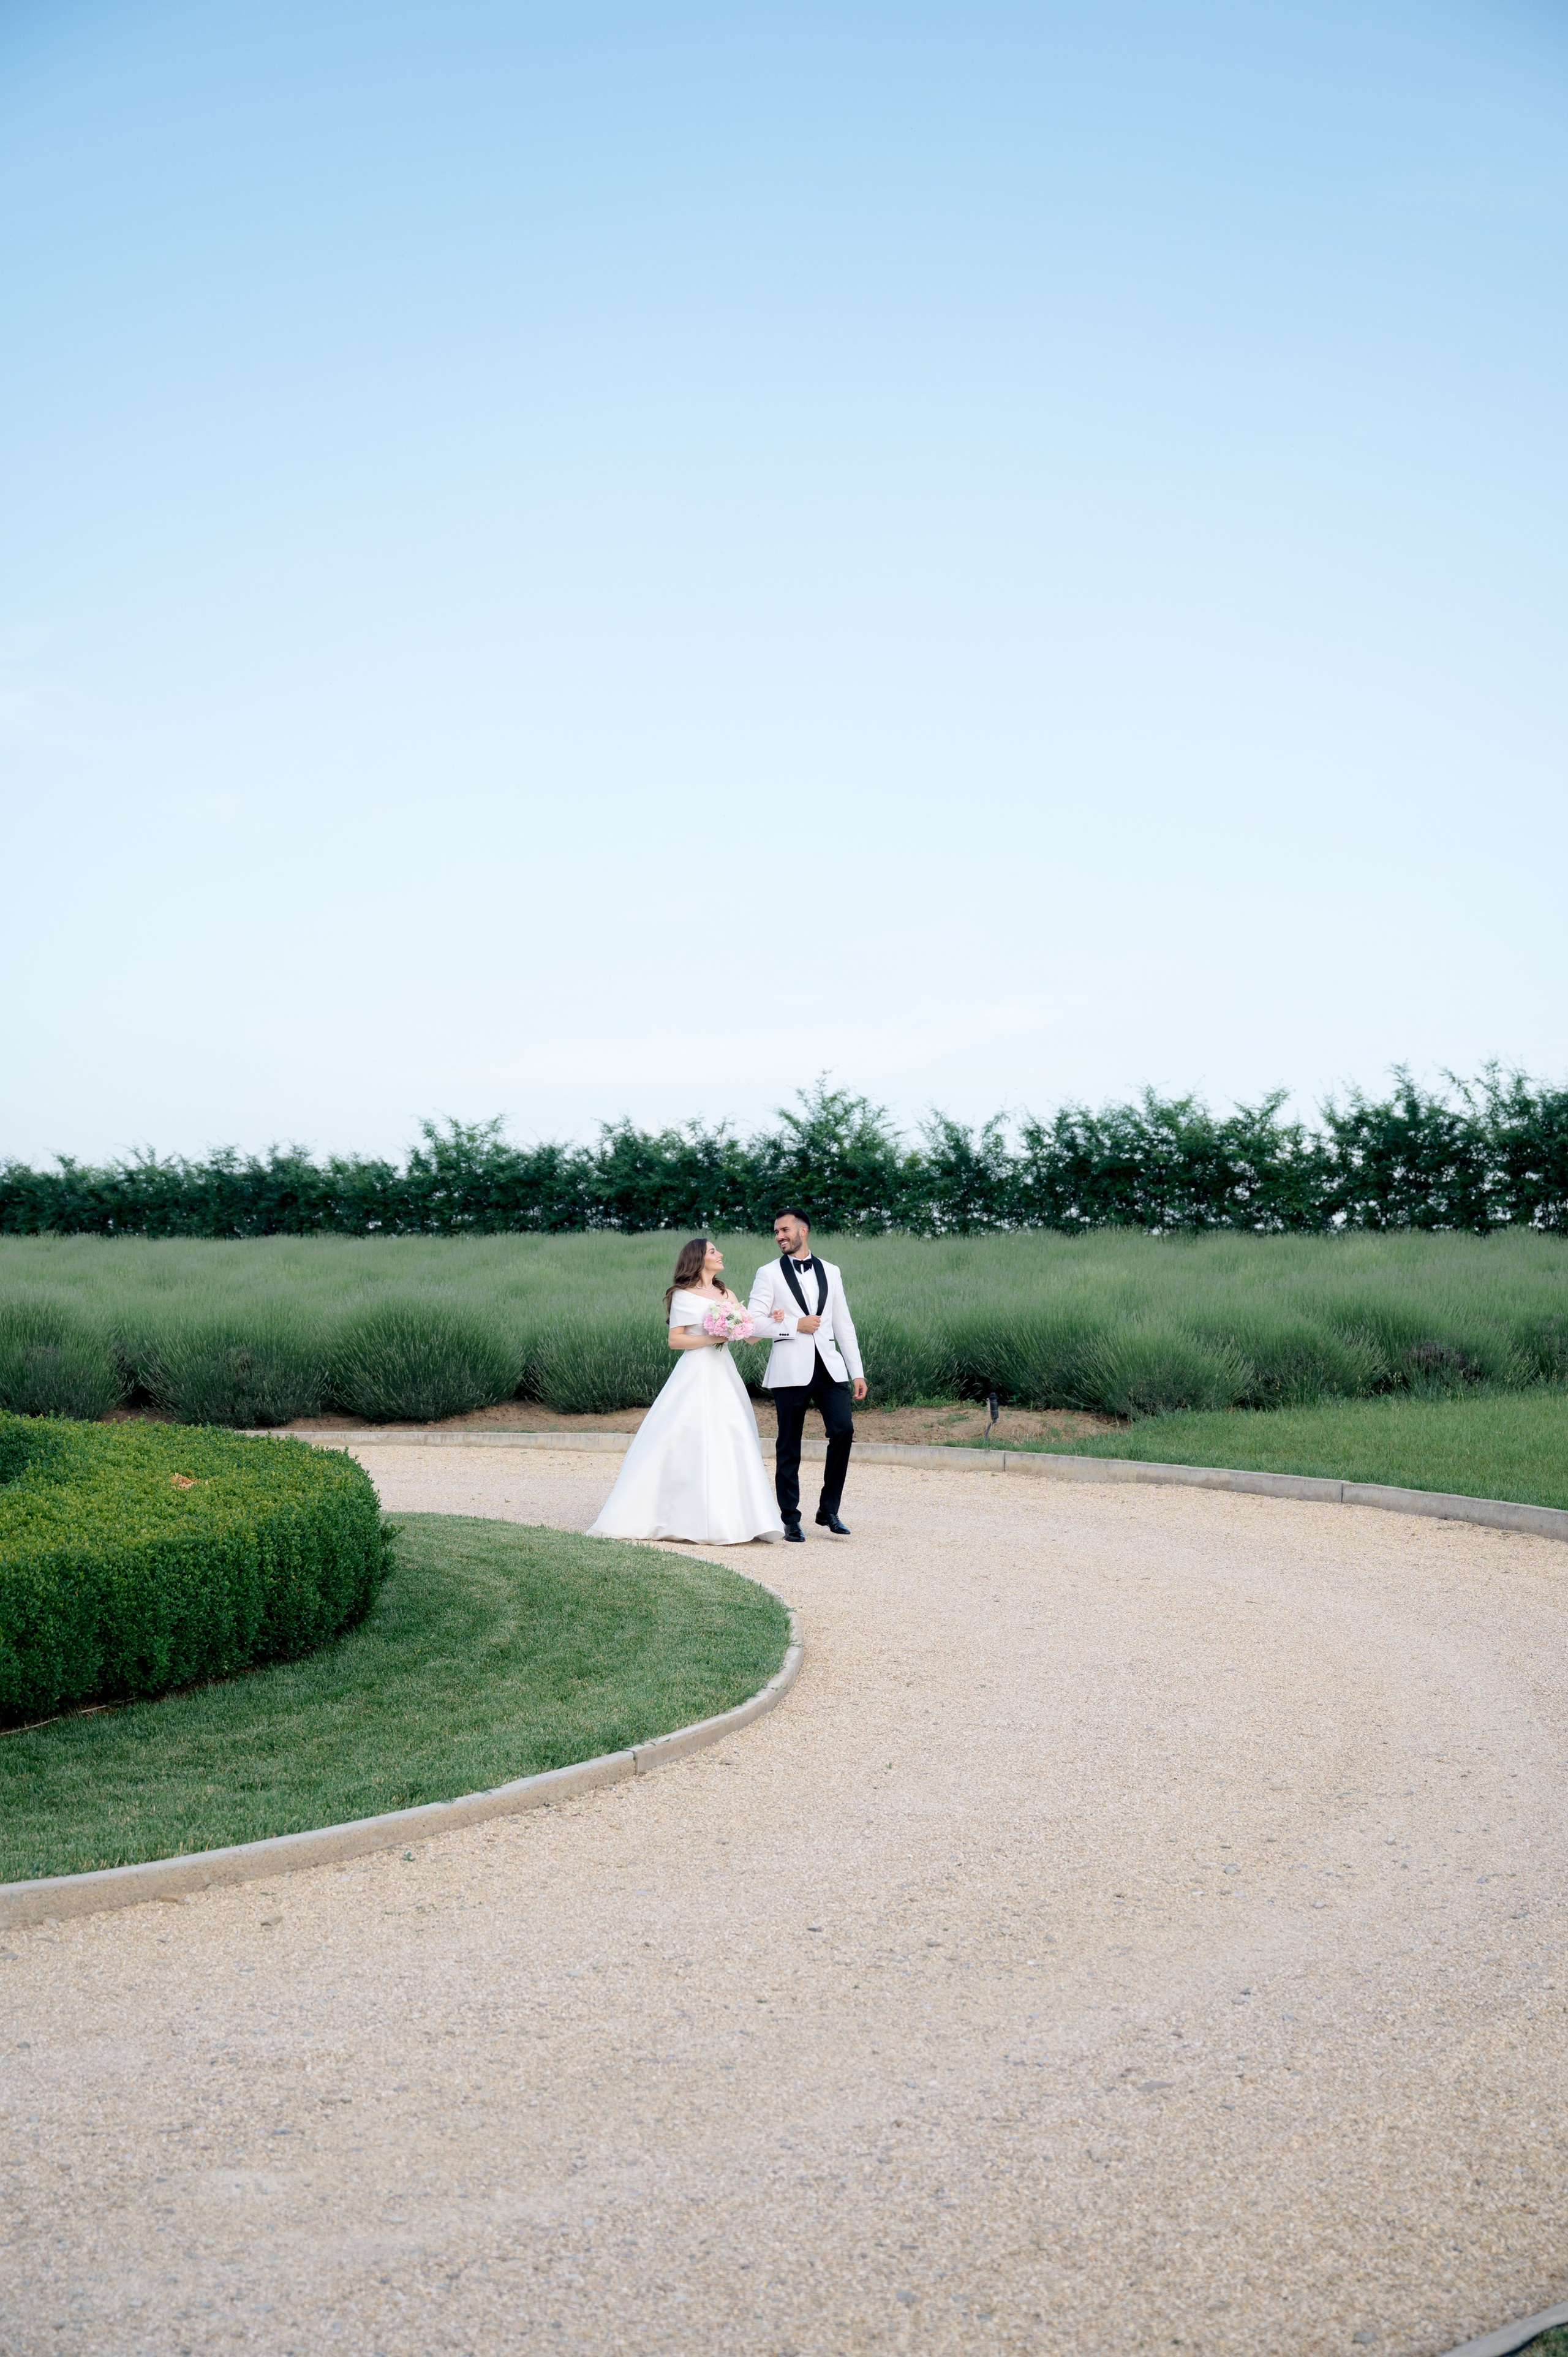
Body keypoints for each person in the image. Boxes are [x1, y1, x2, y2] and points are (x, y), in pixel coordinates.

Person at [586, 1237, 785, 1545]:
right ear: (698, 1258)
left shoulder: (726, 1293)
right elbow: (675, 1340)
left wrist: (771, 1322)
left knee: (731, 1434)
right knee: (685, 1435)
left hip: (723, 1373)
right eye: (713, 1251)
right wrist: (713, 1337)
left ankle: (737, 1519)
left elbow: (747, 1338)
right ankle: (675, 1515)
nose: (720, 1255)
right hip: (695, 1371)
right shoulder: (682, 1295)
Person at [748, 1207, 867, 1543]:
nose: (779, 1236)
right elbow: (752, 1323)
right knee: (789, 1444)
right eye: (775, 1232)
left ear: (803, 1231)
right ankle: (790, 1518)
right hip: (789, 1370)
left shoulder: (831, 1271)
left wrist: (856, 1371)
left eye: (784, 1230)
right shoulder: (768, 1273)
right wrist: (792, 1325)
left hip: (830, 1368)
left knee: (843, 1431)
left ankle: (828, 1510)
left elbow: (843, 1323)